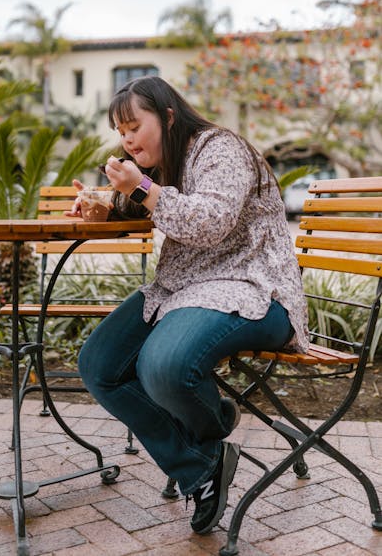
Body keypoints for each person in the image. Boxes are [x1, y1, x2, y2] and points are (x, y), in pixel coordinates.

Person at [70, 75, 308, 535]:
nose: (126, 140)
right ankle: (202, 464)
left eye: (133, 127)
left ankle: (209, 431)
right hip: (183, 289)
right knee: (99, 365)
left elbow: (211, 222)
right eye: (120, 132)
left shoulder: (220, 148)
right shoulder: (168, 165)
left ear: (169, 116)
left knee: (164, 365)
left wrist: (140, 186)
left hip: (253, 288)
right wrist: (99, 203)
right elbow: (139, 205)